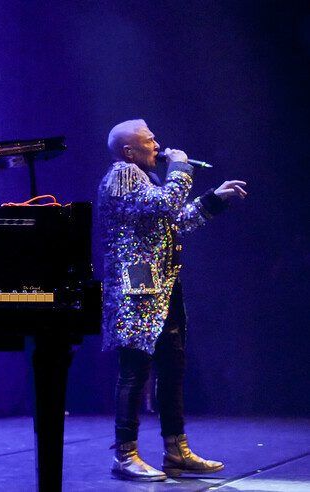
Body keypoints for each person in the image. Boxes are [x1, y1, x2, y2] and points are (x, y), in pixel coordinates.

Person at [98, 119, 247, 481]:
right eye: (150, 141)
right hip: (137, 289)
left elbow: (174, 220)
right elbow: (167, 204)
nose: (158, 146)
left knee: (172, 367)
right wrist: (180, 166)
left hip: (163, 286)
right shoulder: (122, 175)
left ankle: (176, 450)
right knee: (134, 371)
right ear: (128, 151)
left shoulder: (143, 180)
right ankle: (125, 454)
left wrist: (214, 200)